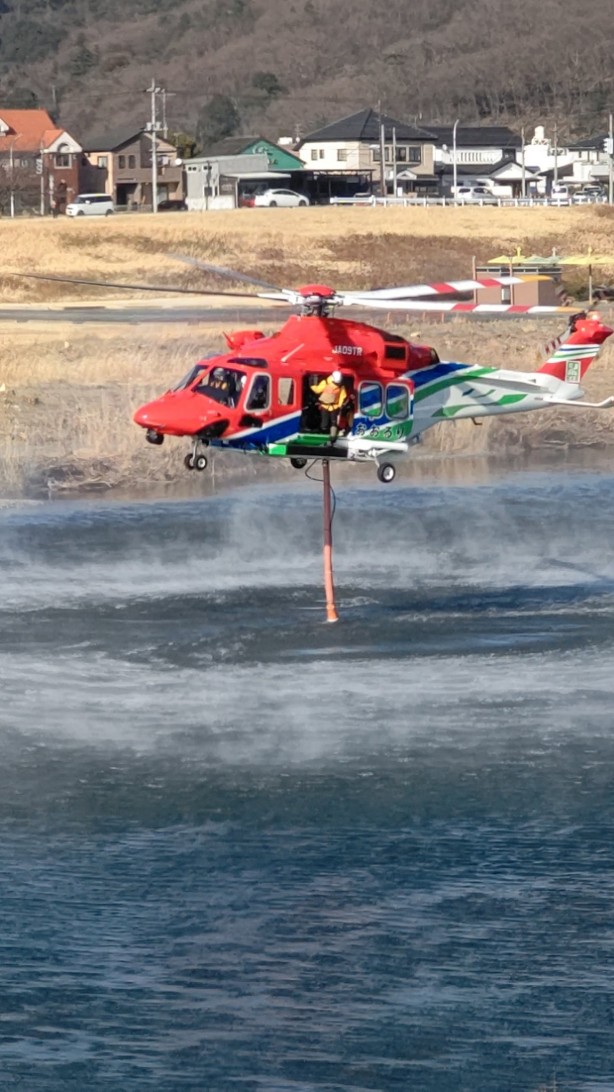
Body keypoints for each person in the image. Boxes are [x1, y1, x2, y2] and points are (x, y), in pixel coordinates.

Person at [310, 370, 347, 443]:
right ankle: (323, 433)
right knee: (325, 421)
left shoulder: (341, 386)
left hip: (334, 407)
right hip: (324, 406)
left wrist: (339, 406)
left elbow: (342, 396)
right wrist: (312, 384)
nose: (337, 384)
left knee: (334, 422)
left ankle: (332, 437)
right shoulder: (325, 382)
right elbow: (317, 390)